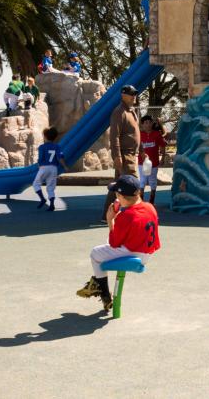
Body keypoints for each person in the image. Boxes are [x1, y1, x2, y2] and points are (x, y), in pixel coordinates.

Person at [76, 175, 161, 311]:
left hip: (132, 254)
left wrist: (111, 220)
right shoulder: (150, 207)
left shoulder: (126, 216)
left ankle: (103, 292)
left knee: (95, 253)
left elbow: (114, 242)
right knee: (105, 247)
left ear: (120, 196)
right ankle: (96, 283)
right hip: (147, 254)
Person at [106, 85, 140, 218]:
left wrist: (142, 150)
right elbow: (114, 136)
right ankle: (136, 213)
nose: (134, 96)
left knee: (120, 185)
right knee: (133, 184)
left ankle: (108, 214)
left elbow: (136, 133)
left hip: (132, 154)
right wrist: (117, 156)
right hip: (125, 155)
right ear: (123, 95)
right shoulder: (119, 112)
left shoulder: (131, 111)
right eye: (131, 94)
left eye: (135, 94)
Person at [33, 127, 70, 211]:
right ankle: (52, 205)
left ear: (45, 136)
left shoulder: (42, 147)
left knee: (36, 183)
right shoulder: (57, 146)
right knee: (51, 187)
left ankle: (42, 199)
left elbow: (40, 158)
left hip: (44, 167)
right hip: (54, 168)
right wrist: (65, 166)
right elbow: (60, 157)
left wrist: (39, 165)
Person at [137, 115, 167, 204]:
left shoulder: (157, 134)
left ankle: (151, 200)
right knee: (142, 181)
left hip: (154, 163)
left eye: (150, 122)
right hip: (142, 163)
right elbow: (135, 146)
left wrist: (163, 157)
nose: (148, 125)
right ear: (142, 125)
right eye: (146, 123)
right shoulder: (139, 135)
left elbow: (162, 146)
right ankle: (141, 201)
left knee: (152, 181)